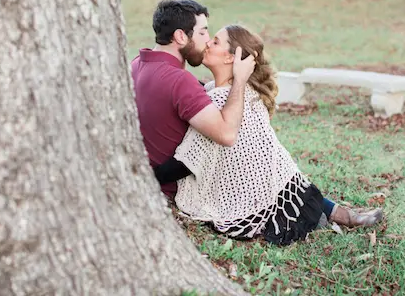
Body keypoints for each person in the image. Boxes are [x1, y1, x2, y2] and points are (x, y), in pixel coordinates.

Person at [155, 25, 384, 246]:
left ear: (230, 58)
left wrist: (149, 174)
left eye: (215, 41)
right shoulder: (228, 90)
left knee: (292, 184)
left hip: (265, 186)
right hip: (267, 185)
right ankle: (343, 215)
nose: (207, 44)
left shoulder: (229, 98)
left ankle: (342, 216)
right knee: (297, 190)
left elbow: (187, 161)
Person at [131, 0, 256, 199]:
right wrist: (240, 79)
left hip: (149, 176)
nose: (207, 41)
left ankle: (323, 206)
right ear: (181, 36)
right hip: (179, 187)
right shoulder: (178, 80)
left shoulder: (136, 64)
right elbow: (227, 135)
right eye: (202, 32)